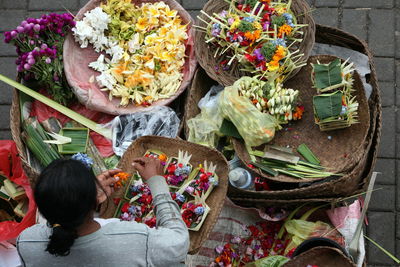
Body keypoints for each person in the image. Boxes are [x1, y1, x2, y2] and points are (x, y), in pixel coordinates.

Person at [16, 157, 189, 267]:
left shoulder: (26, 242)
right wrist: (157, 182)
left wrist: (89, 194)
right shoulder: (135, 239)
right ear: (95, 201)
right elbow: (178, 242)